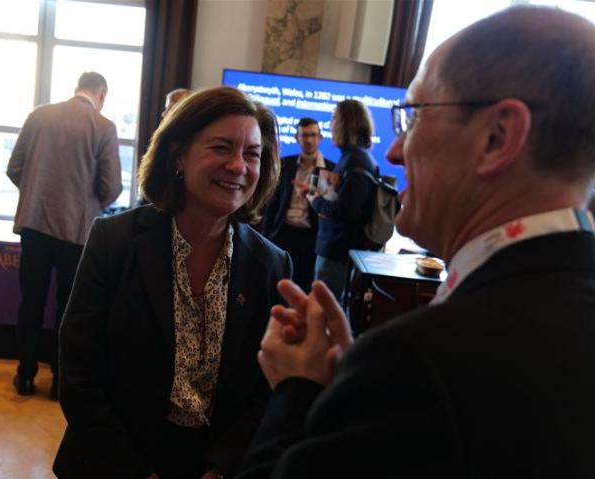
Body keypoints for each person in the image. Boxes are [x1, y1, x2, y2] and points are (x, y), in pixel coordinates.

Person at [238, 5, 595, 478]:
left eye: (414, 115)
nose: (394, 149)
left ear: (497, 137)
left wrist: (296, 391)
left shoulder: (417, 362)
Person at [53, 86, 292, 479]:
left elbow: (267, 391)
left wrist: (221, 469)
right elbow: (80, 376)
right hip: (112, 464)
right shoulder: (114, 242)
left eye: (252, 154)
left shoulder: (271, 265)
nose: (238, 166)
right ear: (178, 154)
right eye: (221, 148)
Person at [7, 71, 122, 399]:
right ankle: (60, 381)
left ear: (77, 89)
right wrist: (86, 203)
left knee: (31, 302)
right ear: (102, 93)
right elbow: (110, 186)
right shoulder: (103, 127)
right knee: (68, 309)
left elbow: (14, 167)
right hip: (76, 232)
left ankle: (25, 375)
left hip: (34, 226)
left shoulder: (39, 115)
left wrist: (35, 193)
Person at [307, 100, 378, 301]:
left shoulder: (356, 160)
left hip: (337, 250)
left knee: (323, 310)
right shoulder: (356, 157)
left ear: (345, 122)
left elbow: (347, 210)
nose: (331, 124)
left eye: (334, 118)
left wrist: (315, 201)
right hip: (337, 248)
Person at [261, 118, 335, 292]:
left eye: (313, 135)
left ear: (320, 138)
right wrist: (266, 235)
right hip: (282, 233)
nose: (309, 140)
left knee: (304, 288)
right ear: (296, 138)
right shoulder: (284, 164)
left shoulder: (331, 169)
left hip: (312, 237)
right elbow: (272, 202)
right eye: (304, 135)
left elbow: (330, 208)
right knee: (276, 286)